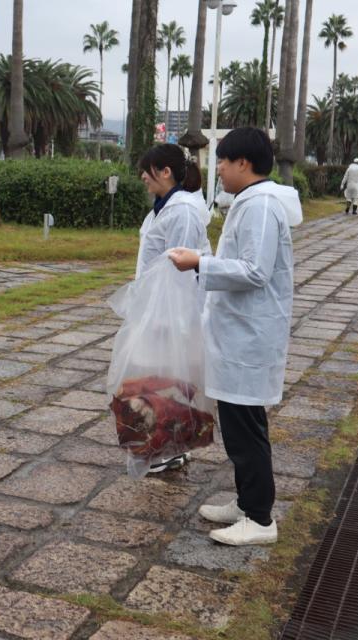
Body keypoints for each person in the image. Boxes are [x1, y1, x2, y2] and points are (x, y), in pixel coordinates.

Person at [169, 127, 302, 546]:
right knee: (238, 424)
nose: (219, 169)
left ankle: (260, 519)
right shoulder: (249, 202)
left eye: (223, 161)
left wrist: (199, 264)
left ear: (244, 163)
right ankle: (247, 503)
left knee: (246, 429)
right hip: (236, 334)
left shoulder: (261, 205)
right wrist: (206, 263)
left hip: (249, 336)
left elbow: (255, 271)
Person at [134, 143, 212, 473]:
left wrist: (167, 318)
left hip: (171, 309)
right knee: (164, 378)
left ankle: (166, 449)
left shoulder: (181, 210)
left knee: (165, 379)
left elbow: (178, 269)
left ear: (165, 172)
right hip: (158, 304)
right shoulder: (166, 206)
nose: (142, 177)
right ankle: (172, 446)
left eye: (147, 170)